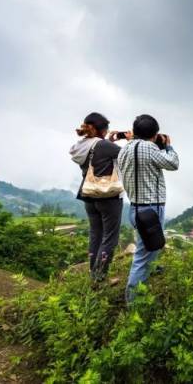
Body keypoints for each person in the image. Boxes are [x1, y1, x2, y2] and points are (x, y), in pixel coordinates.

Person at [118, 114, 179, 303]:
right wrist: (168, 145)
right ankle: (133, 302)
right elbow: (173, 163)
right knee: (142, 256)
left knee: (151, 248)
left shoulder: (125, 149)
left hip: (135, 207)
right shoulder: (150, 148)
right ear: (154, 134)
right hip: (151, 210)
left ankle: (147, 277)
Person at [69, 112, 128, 282]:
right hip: (107, 196)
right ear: (102, 130)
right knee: (110, 237)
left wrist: (108, 141)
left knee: (95, 234)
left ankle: (92, 273)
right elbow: (129, 156)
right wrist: (131, 140)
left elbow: (98, 153)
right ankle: (99, 277)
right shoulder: (103, 145)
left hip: (89, 194)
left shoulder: (81, 145)